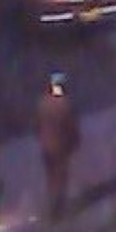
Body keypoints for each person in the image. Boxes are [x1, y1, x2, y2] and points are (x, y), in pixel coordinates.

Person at [36, 72, 80, 222]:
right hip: (61, 147)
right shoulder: (65, 105)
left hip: (46, 146)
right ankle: (58, 209)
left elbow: (37, 125)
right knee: (60, 178)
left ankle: (52, 207)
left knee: (50, 177)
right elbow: (71, 127)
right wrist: (75, 142)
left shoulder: (43, 103)